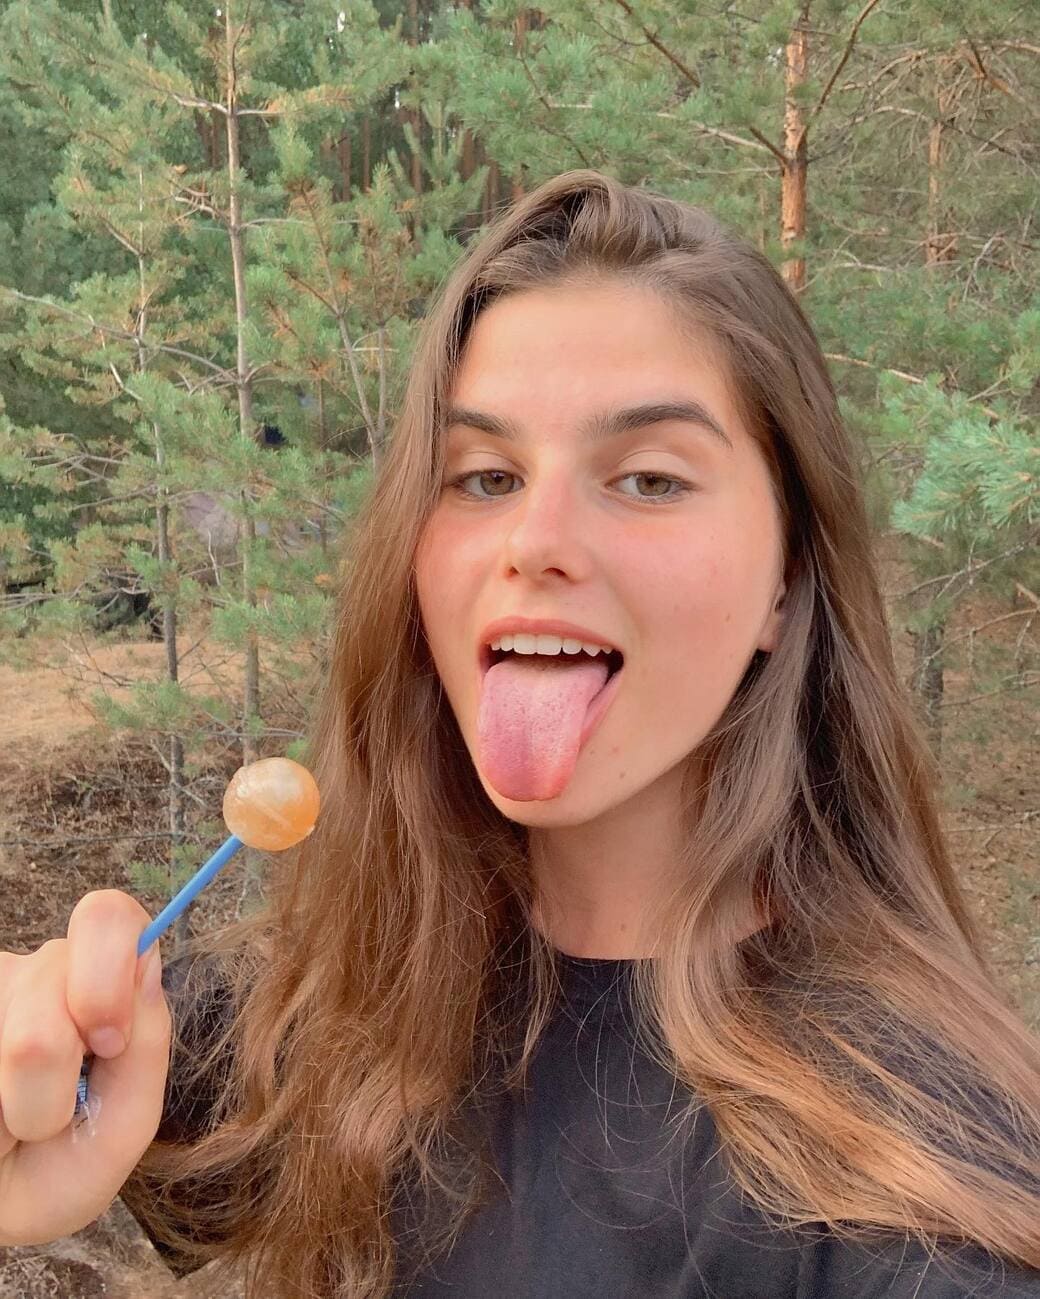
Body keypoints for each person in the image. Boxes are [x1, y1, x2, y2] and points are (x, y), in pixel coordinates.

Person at [2, 169, 1039, 1298]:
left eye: (649, 479)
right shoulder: (333, 1008)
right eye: (485, 476)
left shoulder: (920, 1209)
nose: (533, 540)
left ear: (785, 580)